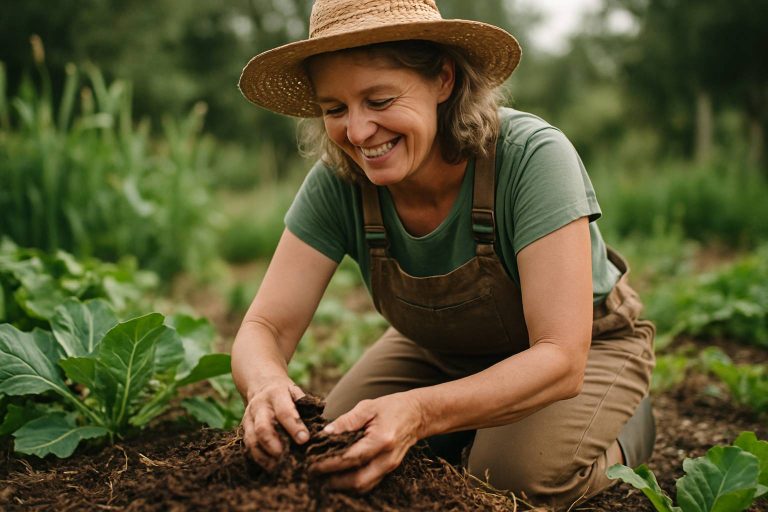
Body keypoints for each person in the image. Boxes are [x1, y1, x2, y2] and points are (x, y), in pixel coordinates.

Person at [231, 0, 656, 509]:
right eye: (335, 109)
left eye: (380, 99)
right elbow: (266, 327)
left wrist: (421, 413)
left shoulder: (531, 157)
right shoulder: (340, 181)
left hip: (581, 354)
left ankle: (624, 430)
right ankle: (468, 423)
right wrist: (265, 385)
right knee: (337, 451)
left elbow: (562, 356)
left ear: (444, 80)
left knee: (508, 477)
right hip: (435, 352)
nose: (359, 132)